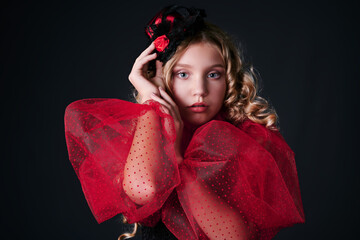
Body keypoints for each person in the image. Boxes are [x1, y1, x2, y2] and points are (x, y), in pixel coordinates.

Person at [64, 5, 305, 240]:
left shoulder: (246, 142)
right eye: (183, 74)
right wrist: (153, 105)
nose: (199, 90)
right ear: (162, 78)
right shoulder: (146, 133)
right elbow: (143, 188)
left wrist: (179, 160)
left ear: (228, 79)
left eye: (213, 74)